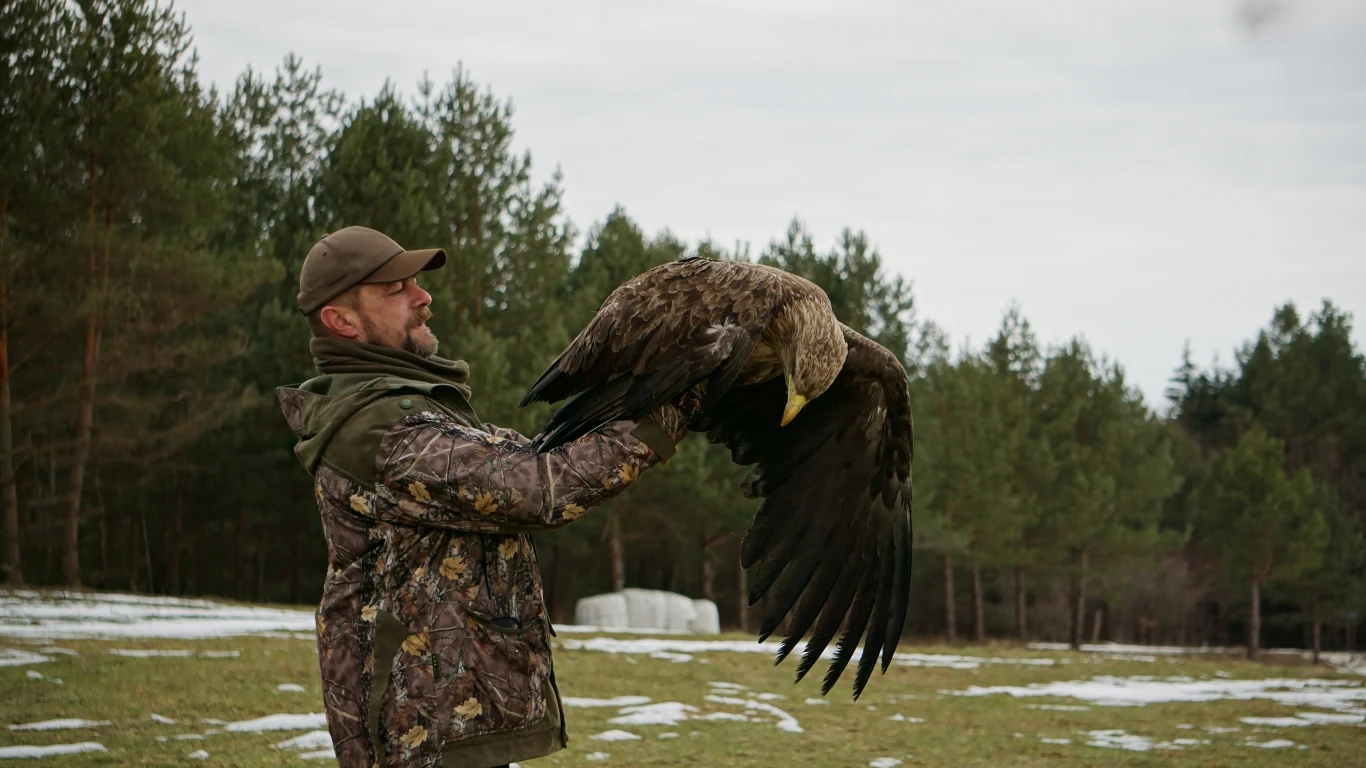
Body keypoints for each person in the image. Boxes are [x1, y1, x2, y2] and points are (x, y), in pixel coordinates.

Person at [277, 225, 691, 768]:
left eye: (416, 284)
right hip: (421, 726)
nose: (423, 299)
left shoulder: (403, 406)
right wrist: (678, 406)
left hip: (448, 713)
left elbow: (529, 455)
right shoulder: (379, 429)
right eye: (396, 289)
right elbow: (541, 488)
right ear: (341, 321)